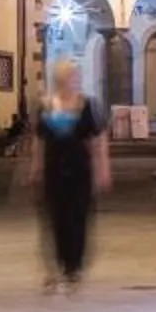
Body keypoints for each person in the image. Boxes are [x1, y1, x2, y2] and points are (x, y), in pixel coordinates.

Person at [30, 58, 109, 290]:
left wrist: (103, 167)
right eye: (66, 78)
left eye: (74, 77)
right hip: (53, 168)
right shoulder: (45, 106)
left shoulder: (87, 105)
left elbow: (99, 138)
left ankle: (73, 267)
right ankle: (55, 266)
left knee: (78, 216)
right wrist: (36, 166)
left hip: (79, 168)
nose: (71, 82)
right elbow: (39, 139)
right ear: (58, 80)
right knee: (54, 217)